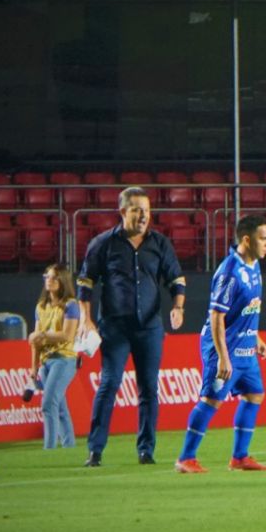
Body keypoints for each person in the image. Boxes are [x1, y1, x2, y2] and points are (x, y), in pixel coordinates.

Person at [77, 186, 185, 467]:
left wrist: (178, 306)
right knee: (109, 384)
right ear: (123, 211)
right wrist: (86, 319)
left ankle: (146, 450)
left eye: (147, 211)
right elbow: (85, 283)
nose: (143, 216)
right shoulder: (103, 244)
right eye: (137, 210)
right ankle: (95, 450)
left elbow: (177, 279)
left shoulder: (160, 244)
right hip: (114, 328)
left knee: (149, 388)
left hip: (149, 328)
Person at [176, 215, 266, 473]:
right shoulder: (230, 272)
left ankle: (240, 457)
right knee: (211, 399)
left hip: (245, 347)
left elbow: (248, 308)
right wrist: (222, 357)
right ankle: (185, 458)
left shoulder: (253, 265)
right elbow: (216, 316)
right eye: (263, 238)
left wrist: (256, 336)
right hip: (223, 347)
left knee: (254, 394)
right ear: (246, 239)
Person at [26, 264, 80, 449]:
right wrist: (34, 367)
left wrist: (42, 335)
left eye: (54, 277)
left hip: (64, 359)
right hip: (46, 361)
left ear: (62, 281)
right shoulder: (41, 306)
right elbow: (35, 341)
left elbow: (67, 335)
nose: (49, 280)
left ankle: (49, 448)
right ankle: (68, 447)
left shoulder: (71, 305)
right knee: (61, 408)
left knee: (48, 404)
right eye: (47, 276)